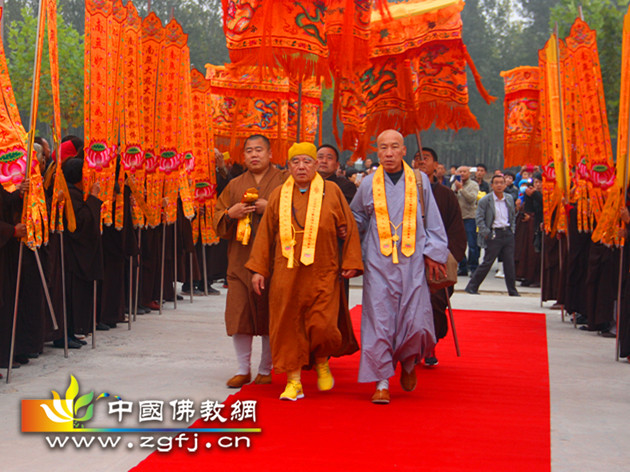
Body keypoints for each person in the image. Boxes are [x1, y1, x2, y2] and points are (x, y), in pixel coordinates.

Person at [246, 142, 363, 401]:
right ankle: (294, 381)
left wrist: (351, 261)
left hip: (323, 270)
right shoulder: (278, 194)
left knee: (324, 324)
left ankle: (321, 359)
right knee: (288, 326)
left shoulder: (331, 191)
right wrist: (258, 270)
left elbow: (349, 227)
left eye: (307, 162)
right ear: (288, 167)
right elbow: (265, 234)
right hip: (286, 272)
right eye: (295, 162)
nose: (301, 167)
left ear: (316, 165)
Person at [351, 130, 448, 404]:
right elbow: (357, 215)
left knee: (415, 321)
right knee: (379, 321)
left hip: (412, 262)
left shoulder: (419, 182)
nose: (389, 153)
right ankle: (381, 380)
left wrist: (434, 253)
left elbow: (434, 222)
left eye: (395, 147)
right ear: (377, 152)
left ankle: (407, 362)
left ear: (404, 151)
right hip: (379, 264)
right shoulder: (368, 183)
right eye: (383, 148)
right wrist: (343, 226)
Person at [213, 135, 287, 388]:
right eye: (249, 151)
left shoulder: (284, 182)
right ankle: (243, 369)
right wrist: (229, 214)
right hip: (240, 261)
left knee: (268, 314)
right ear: (242, 156)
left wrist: (272, 207)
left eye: (259, 150)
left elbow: (300, 212)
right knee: (239, 315)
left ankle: (266, 369)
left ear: (270, 154)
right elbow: (216, 217)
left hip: (273, 261)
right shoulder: (234, 184)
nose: (254, 155)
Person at [416, 147, 466, 366]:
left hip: (438, 261)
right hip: (409, 259)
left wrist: (447, 257)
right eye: (416, 158)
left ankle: (430, 346)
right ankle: (411, 347)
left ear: (436, 166)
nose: (420, 162)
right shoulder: (404, 191)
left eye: (425, 158)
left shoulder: (445, 195)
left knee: (435, 303)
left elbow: (456, 230)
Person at [465, 174, 519, 296]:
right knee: (488, 262)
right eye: (496, 183)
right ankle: (472, 286)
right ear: (492, 185)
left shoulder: (509, 198)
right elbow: (479, 217)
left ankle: (512, 290)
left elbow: (512, 216)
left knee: (509, 263)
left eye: (502, 183)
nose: (499, 185)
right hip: (494, 234)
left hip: (507, 233)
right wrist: (486, 233)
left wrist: (512, 230)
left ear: (505, 185)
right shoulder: (486, 200)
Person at [452, 166, 480, 276]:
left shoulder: (473, 185)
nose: (462, 174)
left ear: (469, 173)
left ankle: (474, 268)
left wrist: (461, 189)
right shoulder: (455, 184)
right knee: (457, 244)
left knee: (472, 245)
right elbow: (452, 199)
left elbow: (471, 199)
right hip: (458, 218)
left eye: (464, 171)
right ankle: (462, 267)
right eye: (460, 172)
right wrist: (455, 190)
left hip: (470, 218)